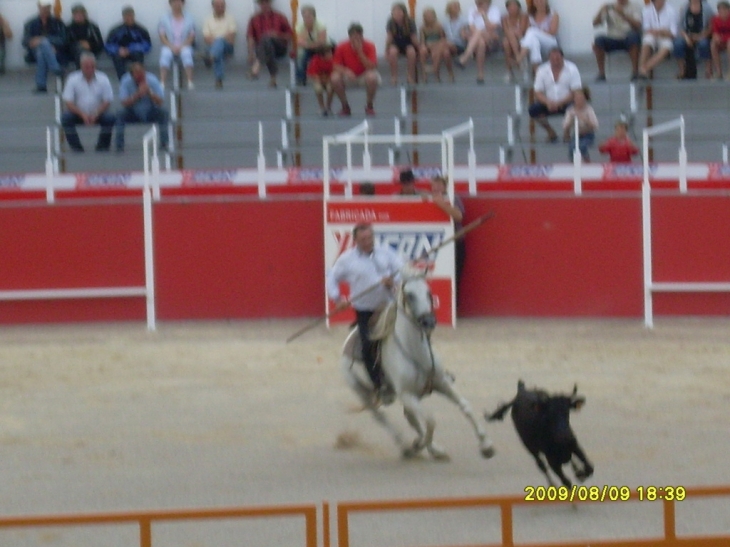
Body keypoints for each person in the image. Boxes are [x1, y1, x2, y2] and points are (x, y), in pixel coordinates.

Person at [326, 222, 404, 403]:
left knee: (416, 329)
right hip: (366, 311)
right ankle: (379, 385)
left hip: (389, 307)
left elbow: (401, 269)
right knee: (368, 345)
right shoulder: (346, 259)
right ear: (355, 241)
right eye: (363, 239)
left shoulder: (386, 252)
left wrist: (392, 280)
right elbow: (332, 277)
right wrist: (338, 299)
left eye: (370, 238)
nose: (368, 242)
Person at [61, 52, 115, 152]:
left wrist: (96, 113)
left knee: (110, 118)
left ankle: (102, 147)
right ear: (81, 66)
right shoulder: (72, 79)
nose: (90, 69)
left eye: (92, 66)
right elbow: (68, 102)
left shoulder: (103, 78)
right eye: (87, 67)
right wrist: (82, 114)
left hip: (98, 113)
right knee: (66, 118)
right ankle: (76, 148)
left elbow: (107, 100)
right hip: (78, 113)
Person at [529, 47, 581, 143]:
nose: (555, 61)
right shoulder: (542, 70)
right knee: (533, 110)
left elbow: (576, 91)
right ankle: (550, 131)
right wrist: (548, 102)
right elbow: (537, 92)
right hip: (548, 102)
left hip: (567, 102)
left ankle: (567, 132)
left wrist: (560, 102)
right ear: (549, 59)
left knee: (577, 107)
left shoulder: (572, 69)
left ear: (562, 58)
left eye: (557, 59)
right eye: (552, 59)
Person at [115, 62, 169, 153]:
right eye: (137, 74)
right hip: (133, 111)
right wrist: (138, 95)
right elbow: (124, 102)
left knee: (163, 113)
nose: (140, 77)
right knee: (120, 114)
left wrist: (150, 93)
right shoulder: (125, 80)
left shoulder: (152, 79)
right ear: (132, 75)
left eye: (142, 73)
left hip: (150, 110)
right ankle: (119, 145)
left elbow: (160, 101)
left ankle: (164, 143)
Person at [331, 23, 380, 117]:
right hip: (348, 75)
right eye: (353, 37)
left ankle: (369, 106)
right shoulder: (341, 46)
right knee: (334, 78)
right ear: (349, 37)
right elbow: (335, 65)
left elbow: (372, 66)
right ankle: (345, 106)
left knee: (372, 77)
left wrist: (360, 52)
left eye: (358, 37)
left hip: (364, 74)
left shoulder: (370, 46)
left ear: (362, 36)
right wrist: (346, 71)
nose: (356, 40)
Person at [429, 175, 465, 297]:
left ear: (445, 186)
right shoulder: (428, 198)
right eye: (434, 185)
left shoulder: (452, 197)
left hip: (455, 242)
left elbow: (459, 216)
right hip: (437, 244)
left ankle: (454, 309)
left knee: (454, 277)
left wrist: (442, 204)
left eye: (439, 185)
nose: (436, 188)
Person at [22, 0, 67, 93]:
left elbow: (63, 40)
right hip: (34, 52)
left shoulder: (58, 22)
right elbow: (25, 41)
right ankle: (55, 68)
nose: (45, 9)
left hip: (55, 51)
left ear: (50, 8)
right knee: (42, 46)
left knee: (42, 50)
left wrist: (43, 40)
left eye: (47, 7)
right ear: (39, 7)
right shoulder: (30, 23)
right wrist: (32, 41)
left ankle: (41, 86)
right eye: (43, 7)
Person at [591, 0, 642, 82]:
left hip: (628, 37)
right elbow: (595, 24)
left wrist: (623, 14)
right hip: (613, 37)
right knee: (598, 40)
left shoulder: (634, 6)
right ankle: (601, 74)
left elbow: (638, 25)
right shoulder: (610, 7)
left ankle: (635, 72)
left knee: (634, 37)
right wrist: (600, 11)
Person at [246, 0, 292, 88]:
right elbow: (250, 37)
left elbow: (290, 36)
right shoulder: (254, 19)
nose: (264, 5)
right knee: (266, 42)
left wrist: (277, 35)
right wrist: (250, 53)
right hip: (263, 49)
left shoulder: (280, 17)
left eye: (266, 2)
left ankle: (257, 67)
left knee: (266, 39)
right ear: (259, 4)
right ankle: (273, 78)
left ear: (270, 3)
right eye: (262, 3)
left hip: (279, 47)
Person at [456, 0, 501, 83]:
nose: (478, 4)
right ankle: (480, 75)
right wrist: (480, 33)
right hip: (477, 40)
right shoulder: (472, 10)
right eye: (477, 2)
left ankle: (466, 57)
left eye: (481, 3)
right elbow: (471, 28)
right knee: (481, 43)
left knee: (479, 32)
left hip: (492, 40)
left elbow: (491, 28)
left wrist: (483, 15)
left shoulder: (494, 10)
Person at [105, 6, 152, 81]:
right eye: (126, 16)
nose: (129, 18)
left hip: (135, 53)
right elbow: (108, 45)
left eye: (131, 15)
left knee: (138, 55)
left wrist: (130, 49)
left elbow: (148, 45)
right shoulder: (115, 30)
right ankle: (123, 81)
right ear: (123, 17)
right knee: (117, 57)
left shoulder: (141, 30)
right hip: (120, 54)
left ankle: (138, 79)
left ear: (134, 16)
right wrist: (118, 50)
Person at [158, 0, 196, 91]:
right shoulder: (164, 18)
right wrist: (171, 46)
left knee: (187, 54)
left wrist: (182, 46)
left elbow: (191, 36)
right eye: (174, 2)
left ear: (183, 3)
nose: (176, 4)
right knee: (165, 55)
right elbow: (162, 36)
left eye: (179, 2)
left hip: (184, 45)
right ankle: (162, 82)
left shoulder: (190, 18)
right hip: (169, 45)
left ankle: (190, 82)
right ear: (170, 4)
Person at [516, 0, 560, 75]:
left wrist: (538, 31)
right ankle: (536, 71)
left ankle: (520, 56)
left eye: (541, 0)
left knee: (532, 31)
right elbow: (527, 33)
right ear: (533, 3)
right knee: (534, 40)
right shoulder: (531, 16)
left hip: (550, 42)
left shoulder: (553, 14)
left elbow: (553, 32)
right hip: (536, 43)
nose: (539, 2)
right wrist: (538, 32)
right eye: (537, 1)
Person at [673, 0, 714, 79]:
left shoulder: (707, 8)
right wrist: (686, 38)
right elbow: (680, 27)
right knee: (677, 44)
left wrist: (699, 37)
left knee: (704, 44)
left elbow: (710, 27)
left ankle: (708, 70)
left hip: (702, 34)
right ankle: (682, 70)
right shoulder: (684, 7)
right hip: (687, 35)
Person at [637, 0, 677, 79]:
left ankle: (643, 69)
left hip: (665, 37)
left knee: (667, 47)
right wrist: (661, 31)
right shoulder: (647, 10)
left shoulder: (671, 11)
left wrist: (662, 32)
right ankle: (642, 72)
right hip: (652, 35)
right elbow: (646, 29)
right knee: (647, 42)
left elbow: (673, 33)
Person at [203, 0, 237, 89]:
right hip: (213, 47)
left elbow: (231, 38)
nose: (221, 8)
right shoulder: (208, 20)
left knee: (219, 42)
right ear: (213, 7)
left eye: (223, 6)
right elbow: (206, 39)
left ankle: (210, 58)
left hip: (228, 47)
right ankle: (218, 80)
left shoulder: (230, 18)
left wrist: (218, 40)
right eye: (218, 6)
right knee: (218, 51)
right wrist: (219, 40)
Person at [562, 87, 599, 162]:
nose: (579, 100)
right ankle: (574, 166)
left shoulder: (589, 109)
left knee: (582, 146)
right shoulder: (571, 110)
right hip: (576, 135)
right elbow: (565, 126)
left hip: (588, 135)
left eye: (581, 98)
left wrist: (584, 119)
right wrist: (571, 122)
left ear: (585, 99)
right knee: (572, 147)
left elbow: (595, 125)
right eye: (577, 98)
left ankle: (587, 163)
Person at [386, 3, 419, 85]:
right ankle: (394, 76)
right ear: (392, 13)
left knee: (411, 52)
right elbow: (389, 37)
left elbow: (413, 37)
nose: (397, 14)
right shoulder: (391, 22)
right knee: (392, 52)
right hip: (396, 43)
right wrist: (386, 50)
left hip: (407, 43)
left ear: (404, 12)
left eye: (399, 12)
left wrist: (419, 49)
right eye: (395, 12)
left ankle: (410, 76)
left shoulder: (410, 21)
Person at [295, 4, 327, 86]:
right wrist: (310, 45)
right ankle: (301, 78)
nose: (307, 18)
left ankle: (325, 78)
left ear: (314, 16)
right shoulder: (300, 26)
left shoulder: (321, 25)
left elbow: (322, 42)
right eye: (304, 16)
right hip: (309, 48)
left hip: (321, 48)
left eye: (309, 16)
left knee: (325, 54)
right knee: (301, 55)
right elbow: (300, 42)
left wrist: (308, 44)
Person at [419, 7, 454, 82]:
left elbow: (443, 39)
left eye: (430, 16)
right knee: (422, 51)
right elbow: (422, 41)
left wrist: (435, 44)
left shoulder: (439, 26)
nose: (429, 18)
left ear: (434, 16)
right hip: (428, 45)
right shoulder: (423, 28)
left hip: (439, 46)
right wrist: (425, 46)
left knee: (445, 53)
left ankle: (447, 73)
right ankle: (424, 74)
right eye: (427, 16)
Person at [66, 4, 104, 69]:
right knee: (80, 50)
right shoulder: (69, 28)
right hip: (74, 53)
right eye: (75, 14)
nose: (78, 16)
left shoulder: (93, 27)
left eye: (80, 14)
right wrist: (79, 44)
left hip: (91, 52)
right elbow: (65, 44)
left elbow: (100, 44)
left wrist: (90, 45)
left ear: (84, 15)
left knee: (84, 53)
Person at [502, 0, 529, 83]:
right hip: (510, 40)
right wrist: (513, 32)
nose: (512, 8)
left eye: (514, 6)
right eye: (510, 7)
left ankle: (510, 71)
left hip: (522, 39)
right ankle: (519, 60)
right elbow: (506, 31)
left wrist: (512, 32)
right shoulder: (504, 18)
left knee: (507, 41)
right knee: (506, 42)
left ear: (519, 7)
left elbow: (522, 31)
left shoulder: (523, 16)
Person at [308, 44, 335, 116]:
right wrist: (320, 80)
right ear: (322, 55)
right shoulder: (315, 60)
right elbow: (313, 74)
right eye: (329, 53)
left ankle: (328, 107)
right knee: (318, 88)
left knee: (331, 88)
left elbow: (334, 73)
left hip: (328, 80)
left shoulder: (333, 61)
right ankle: (321, 107)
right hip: (318, 79)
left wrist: (327, 80)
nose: (331, 54)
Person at [710, 0, 730, 79]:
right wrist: (716, 37)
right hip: (721, 41)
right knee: (713, 44)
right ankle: (719, 72)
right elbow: (715, 32)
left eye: (725, 10)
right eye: (720, 10)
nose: (723, 12)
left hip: (728, 41)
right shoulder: (715, 19)